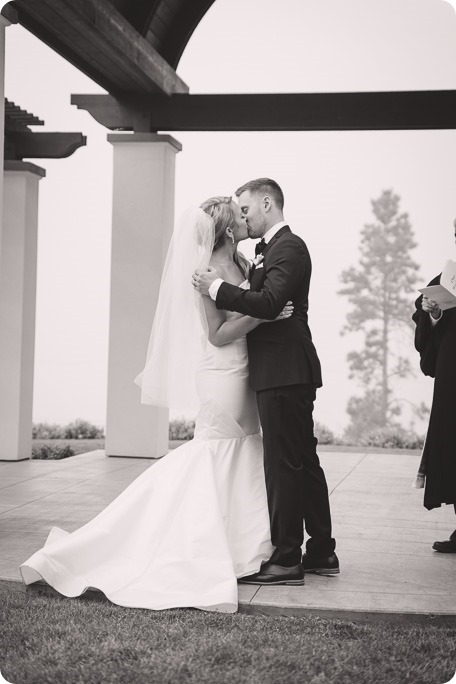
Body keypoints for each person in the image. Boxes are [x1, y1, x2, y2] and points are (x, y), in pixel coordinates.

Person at [20, 197, 294, 613]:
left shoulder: (242, 263)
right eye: (239, 216)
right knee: (217, 449)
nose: (246, 220)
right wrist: (266, 317)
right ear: (223, 228)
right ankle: (189, 542)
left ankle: (248, 545)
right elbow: (217, 334)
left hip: (249, 369)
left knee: (246, 449)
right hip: (222, 371)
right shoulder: (207, 272)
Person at [192, 178, 338, 585]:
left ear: (267, 203)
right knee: (302, 461)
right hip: (279, 370)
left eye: (246, 209)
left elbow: (273, 303)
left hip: (283, 370)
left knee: (285, 465)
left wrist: (217, 287)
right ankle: (322, 551)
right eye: (237, 212)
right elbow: (261, 309)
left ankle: (289, 557)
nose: (243, 217)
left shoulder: (289, 247)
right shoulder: (263, 253)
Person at [412, 219, 456, 553]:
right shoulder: (449, 278)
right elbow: (433, 322)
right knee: (452, 447)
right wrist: (434, 313)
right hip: (453, 376)